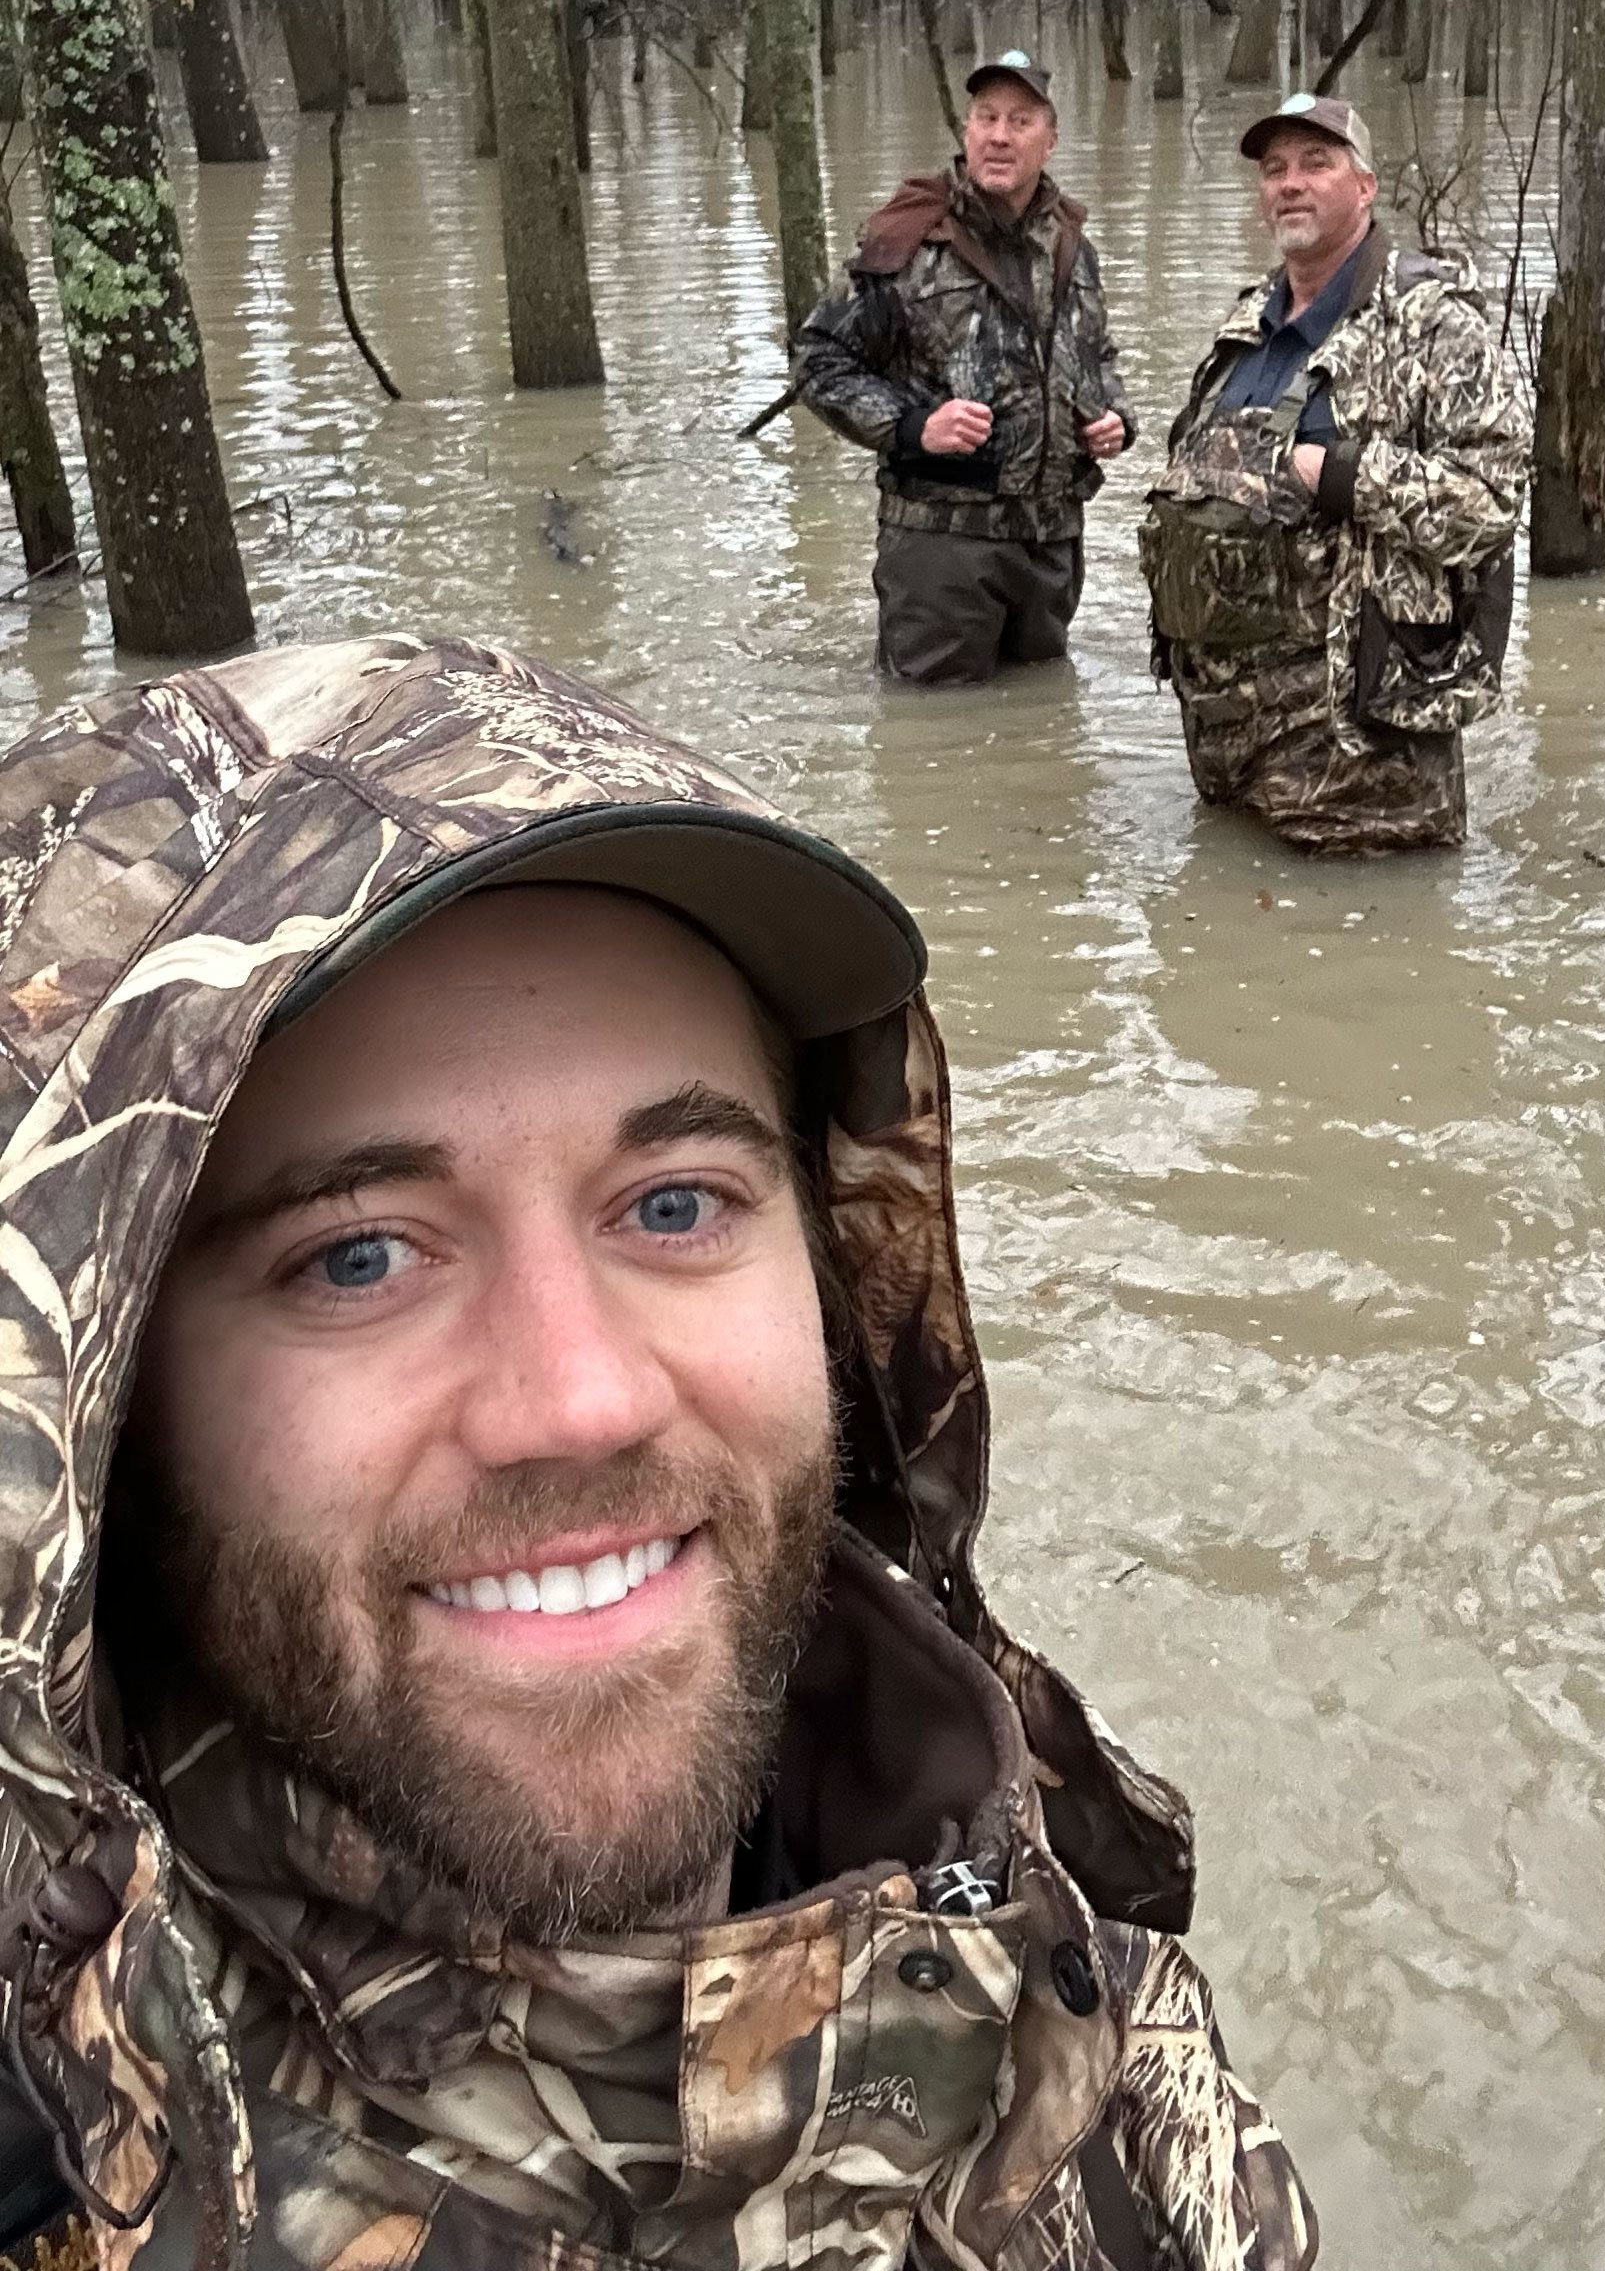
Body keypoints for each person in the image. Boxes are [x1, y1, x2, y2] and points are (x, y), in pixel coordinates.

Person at [0, 634, 1315, 2271]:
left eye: (675, 1203)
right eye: (358, 1252)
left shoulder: (1033, 1914)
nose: (579, 1397)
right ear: (99, 1404)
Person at [1140, 93, 1528, 852]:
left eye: (1316, 163)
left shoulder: (1433, 323)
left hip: (1359, 771)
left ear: (1365, 186)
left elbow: (1492, 501)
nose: (1289, 183)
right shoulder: (1243, 325)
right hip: (1224, 758)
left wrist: (1347, 474)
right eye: (1274, 169)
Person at [793, 51, 1136, 684]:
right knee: (934, 741)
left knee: (1044, 741)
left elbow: (1097, 355)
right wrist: (911, 427)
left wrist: (1114, 416)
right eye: (986, 118)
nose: (1000, 136)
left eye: (1021, 120)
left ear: (1051, 140)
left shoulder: (1070, 243)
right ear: (967, 131)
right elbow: (818, 360)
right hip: (940, 550)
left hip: (1052, 542)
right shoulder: (906, 241)